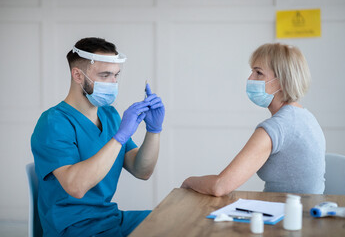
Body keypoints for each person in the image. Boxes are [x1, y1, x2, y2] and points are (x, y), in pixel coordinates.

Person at [31, 37, 165, 237]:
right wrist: (119, 137)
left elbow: (141, 170)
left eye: (116, 76)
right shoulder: (54, 122)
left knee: (175, 221)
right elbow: (76, 187)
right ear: (77, 75)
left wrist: (154, 130)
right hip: (73, 229)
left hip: (110, 220)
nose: (113, 83)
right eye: (105, 75)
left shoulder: (109, 115)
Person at [181, 43, 325, 196]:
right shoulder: (304, 116)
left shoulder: (278, 127)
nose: (250, 78)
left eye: (258, 73)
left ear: (282, 81)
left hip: (288, 215)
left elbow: (220, 186)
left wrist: (188, 181)